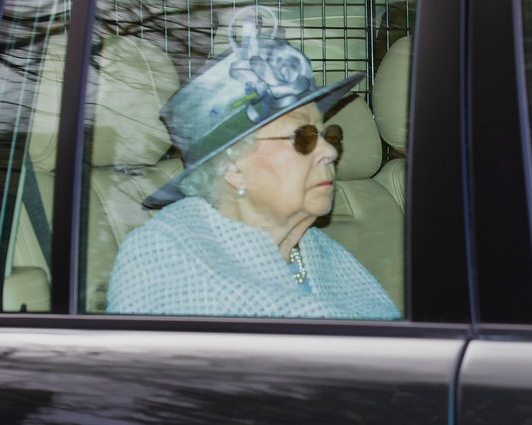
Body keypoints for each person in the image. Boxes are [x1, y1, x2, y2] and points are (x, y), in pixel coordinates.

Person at [107, 6, 400, 320]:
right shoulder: (165, 259)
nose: (329, 151)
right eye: (303, 137)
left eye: (330, 134)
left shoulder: (321, 252)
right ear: (232, 166)